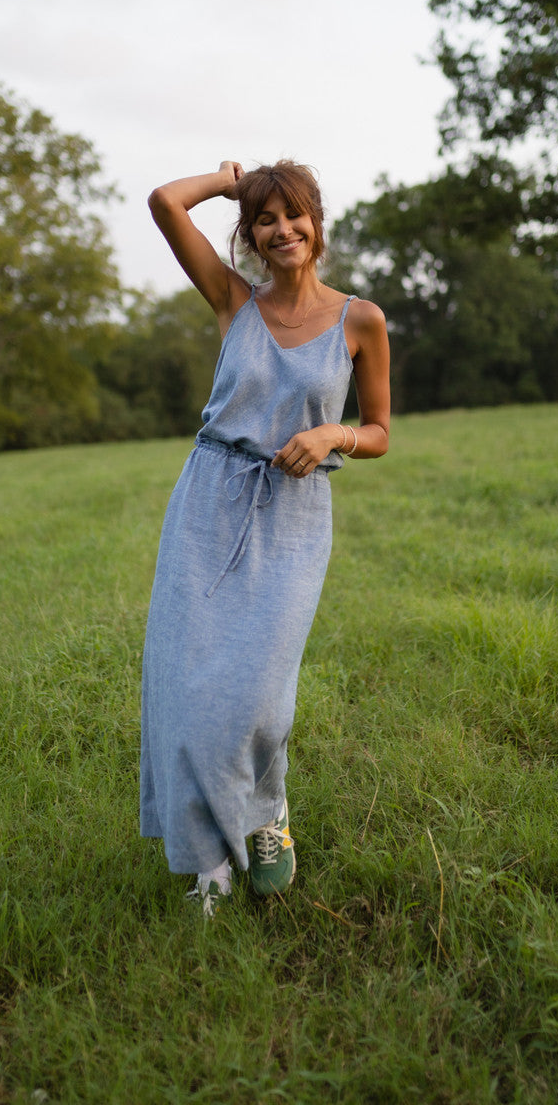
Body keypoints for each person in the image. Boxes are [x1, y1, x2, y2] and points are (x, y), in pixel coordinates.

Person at [140, 159, 390, 917]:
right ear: (249, 234)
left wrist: (332, 433)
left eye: (294, 215)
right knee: (191, 695)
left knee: (257, 699)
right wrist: (225, 183)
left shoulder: (359, 320)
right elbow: (161, 202)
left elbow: (379, 431)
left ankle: (266, 812)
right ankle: (210, 864)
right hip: (208, 503)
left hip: (293, 515)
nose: (282, 230)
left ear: (317, 223)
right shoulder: (232, 301)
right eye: (265, 219)